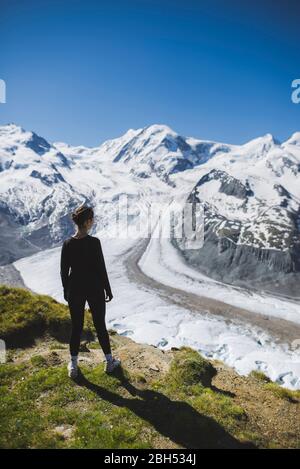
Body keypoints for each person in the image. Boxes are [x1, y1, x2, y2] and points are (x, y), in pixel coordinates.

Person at [60, 204, 121, 378]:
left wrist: (67, 291)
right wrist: (107, 289)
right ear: (87, 222)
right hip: (94, 287)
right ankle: (109, 362)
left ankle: (73, 366)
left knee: (76, 327)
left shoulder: (67, 244)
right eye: (92, 219)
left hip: (76, 288)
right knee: (100, 325)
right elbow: (101, 268)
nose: (93, 222)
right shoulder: (94, 243)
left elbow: (64, 272)